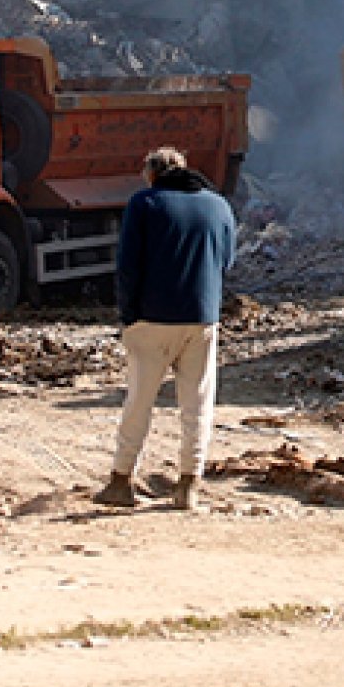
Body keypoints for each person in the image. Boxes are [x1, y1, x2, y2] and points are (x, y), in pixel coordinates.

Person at [94, 147, 236, 511]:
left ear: (153, 174)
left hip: (151, 319)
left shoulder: (144, 203)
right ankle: (188, 484)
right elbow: (227, 261)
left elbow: (127, 265)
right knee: (197, 404)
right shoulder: (219, 206)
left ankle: (121, 480)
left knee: (140, 400)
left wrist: (128, 316)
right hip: (201, 317)